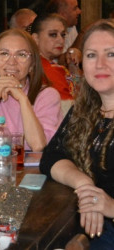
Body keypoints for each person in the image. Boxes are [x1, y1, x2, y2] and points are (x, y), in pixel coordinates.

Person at [39, 19, 114, 249]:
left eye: (111, 54)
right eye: (91, 55)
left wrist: (109, 205)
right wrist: (84, 184)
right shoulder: (84, 110)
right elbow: (51, 155)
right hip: (87, 227)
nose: (100, 64)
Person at [0, 28, 63, 151]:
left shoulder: (47, 95)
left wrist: (23, 100)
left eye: (21, 55)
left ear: (32, 65)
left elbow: (39, 145)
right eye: (4, 53)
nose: (12, 62)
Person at [31, 13, 76, 115]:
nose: (61, 40)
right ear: (35, 38)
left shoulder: (45, 64)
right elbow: (69, 110)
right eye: (53, 34)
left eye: (63, 35)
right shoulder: (44, 69)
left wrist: (73, 65)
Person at [45, 0, 82, 67]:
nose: (79, 11)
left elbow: (73, 65)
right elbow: (61, 62)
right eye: (75, 8)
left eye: (63, 35)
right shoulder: (47, 31)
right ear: (62, 15)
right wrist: (83, 34)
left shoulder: (71, 27)